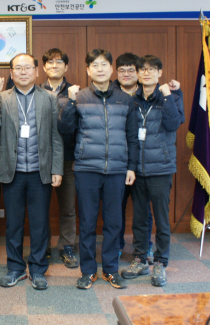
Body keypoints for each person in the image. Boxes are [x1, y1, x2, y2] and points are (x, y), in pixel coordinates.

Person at [58, 49, 139, 291]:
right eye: (95, 65)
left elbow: (132, 136)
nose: (100, 69)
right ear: (88, 70)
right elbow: (65, 130)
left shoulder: (125, 99)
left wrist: (131, 167)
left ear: (111, 69)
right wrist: (71, 102)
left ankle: (111, 269)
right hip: (86, 168)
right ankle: (88, 271)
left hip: (116, 169)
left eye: (104, 65)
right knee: (87, 222)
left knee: (114, 223)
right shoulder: (79, 96)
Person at [0, 53, 64, 291]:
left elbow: (56, 136)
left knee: (40, 224)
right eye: (17, 68)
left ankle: (38, 269)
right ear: (11, 73)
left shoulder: (49, 98)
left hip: (41, 171)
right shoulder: (2, 97)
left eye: (27, 67)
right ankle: (16, 268)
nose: (22, 72)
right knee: (13, 224)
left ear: (36, 71)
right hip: (13, 172)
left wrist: (57, 168)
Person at [120, 55, 184, 287]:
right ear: (137, 74)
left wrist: (167, 95)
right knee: (139, 218)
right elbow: (129, 135)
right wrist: (131, 166)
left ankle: (160, 261)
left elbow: (173, 124)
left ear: (160, 73)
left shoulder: (171, 96)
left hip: (161, 168)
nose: (146, 73)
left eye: (152, 69)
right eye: (142, 70)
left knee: (161, 218)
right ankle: (140, 259)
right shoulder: (133, 100)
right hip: (138, 169)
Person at [113, 53, 154, 261]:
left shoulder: (148, 93)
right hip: (117, 161)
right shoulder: (109, 93)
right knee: (115, 209)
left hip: (143, 162)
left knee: (142, 209)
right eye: (122, 70)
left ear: (138, 73)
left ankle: (144, 246)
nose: (126, 74)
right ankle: (117, 246)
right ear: (116, 72)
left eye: (131, 70)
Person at [40, 48, 78, 268]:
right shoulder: (35, 91)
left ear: (66, 66)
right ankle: (42, 245)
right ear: (44, 67)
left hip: (68, 157)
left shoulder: (76, 92)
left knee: (68, 207)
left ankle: (67, 246)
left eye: (59, 62)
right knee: (40, 206)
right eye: (50, 62)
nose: (54, 65)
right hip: (41, 158)